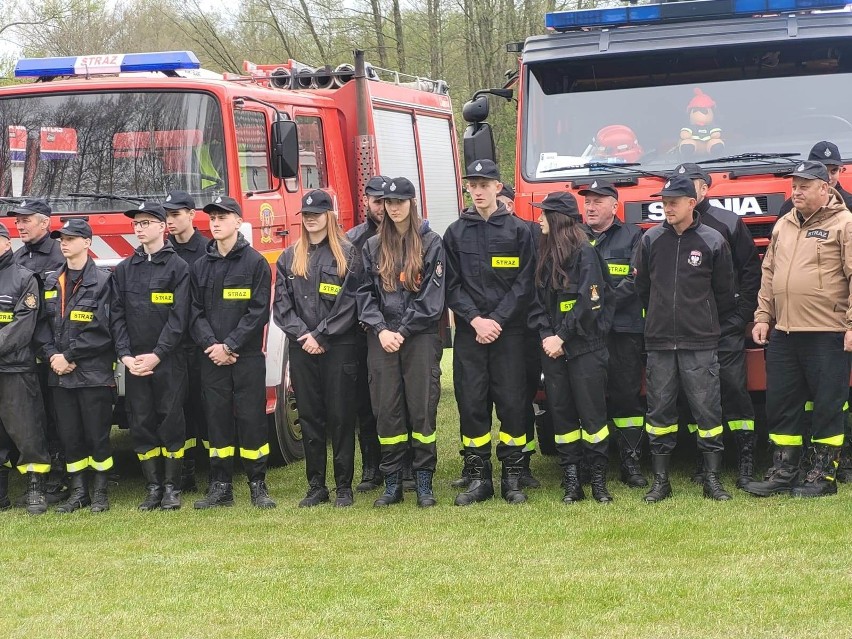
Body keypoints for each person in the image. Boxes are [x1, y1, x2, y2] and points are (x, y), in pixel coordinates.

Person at [744, 161, 852, 498]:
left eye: (805, 186)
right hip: (785, 333)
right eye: (795, 185)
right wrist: (763, 317)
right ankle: (783, 471)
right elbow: (769, 273)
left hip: (827, 332)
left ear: (824, 188)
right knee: (781, 404)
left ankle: (822, 476)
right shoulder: (783, 225)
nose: (797, 191)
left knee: (827, 406)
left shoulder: (845, 223)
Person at [634, 175, 736, 502]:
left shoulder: (713, 241)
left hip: (701, 343)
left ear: (692, 203)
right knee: (659, 413)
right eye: (664, 202)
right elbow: (642, 290)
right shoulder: (650, 240)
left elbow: (723, 293)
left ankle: (712, 480)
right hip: (660, 343)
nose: (667, 208)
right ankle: (661, 481)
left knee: (708, 413)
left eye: (673, 202)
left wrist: (701, 319)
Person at [444, 159, 536, 505]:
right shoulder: (456, 232)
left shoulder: (519, 231)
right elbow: (450, 285)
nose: (478, 191)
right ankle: (479, 479)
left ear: (499, 187)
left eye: (485, 184)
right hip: (471, 334)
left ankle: (512, 479)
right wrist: (476, 320)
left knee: (513, 404)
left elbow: (525, 283)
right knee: (471, 405)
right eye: (473, 185)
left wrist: (496, 319)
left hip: (509, 334)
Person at [358, 177, 445, 508]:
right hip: (381, 339)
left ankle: (423, 483)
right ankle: (392, 483)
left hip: (418, 337)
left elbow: (432, 299)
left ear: (412, 203)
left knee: (422, 410)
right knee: (387, 411)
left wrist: (403, 331)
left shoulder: (430, 242)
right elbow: (362, 293)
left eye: (399, 202)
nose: (393, 208)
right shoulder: (371, 246)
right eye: (388, 203)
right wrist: (381, 329)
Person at [671, 163, 760, 488]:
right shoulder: (670, 227)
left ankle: (745, 459)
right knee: (694, 397)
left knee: (734, 390)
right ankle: (704, 459)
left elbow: (751, 271)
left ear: (705, 189)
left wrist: (741, 317)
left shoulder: (727, 222)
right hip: (689, 332)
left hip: (724, 327)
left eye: (691, 183)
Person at [274, 190, 359, 508]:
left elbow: (349, 303)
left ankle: (344, 487)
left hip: (338, 349)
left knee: (340, 418)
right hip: (302, 349)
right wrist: (304, 336)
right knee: (310, 418)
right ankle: (316, 486)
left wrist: (321, 336)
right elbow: (282, 307)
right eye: (306, 215)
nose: (310, 219)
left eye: (317, 214)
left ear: (330, 216)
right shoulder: (288, 257)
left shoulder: (347, 255)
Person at [528, 192, 615, 503]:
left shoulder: (585, 253)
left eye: (544, 214)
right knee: (562, 416)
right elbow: (536, 303)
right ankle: (571, 481)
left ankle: (598, 481)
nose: (538, 219)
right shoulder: (543, 254)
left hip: (585, 348)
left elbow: (590, 302)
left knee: (593, 417)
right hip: (553, 350)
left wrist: (562, 337)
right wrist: (547, 338)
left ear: (558, 218)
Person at [190, 196, 275, 509]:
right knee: (217, 421)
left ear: (239, 222)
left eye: (223, 217)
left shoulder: (255, 263)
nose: (215, 222)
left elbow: (258, 312)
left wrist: (230, 345)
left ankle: (258, 485)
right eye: (212, 217)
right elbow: (194, 312)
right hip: (212, 358)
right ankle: (220, 486)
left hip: (245, 358)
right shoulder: (200, 266)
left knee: (252, 420)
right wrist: (212, 346)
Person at [111, 202, 190, 511]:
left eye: (146, 222)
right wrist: (125, 356)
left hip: (167, 361)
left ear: (162, 227)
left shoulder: (178, 267)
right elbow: (116, 316)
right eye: (136, 223)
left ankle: (172, 488)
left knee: (171, 421)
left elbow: (178, 318)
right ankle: (153, 487)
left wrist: (157, 355)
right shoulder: (125, 269)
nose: (139, 228)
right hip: (135, 364)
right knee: (141, 423)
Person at [38, 219, 114, 513]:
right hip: (59, 374)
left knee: (97, 435)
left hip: (92, 374)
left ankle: (100, 492)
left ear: (87, 243)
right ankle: (78, 491)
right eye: (61, 239)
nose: (64, 243)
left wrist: (68, 355)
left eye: (71, 238)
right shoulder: (50, 281)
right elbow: (42, 326)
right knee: (70, 436)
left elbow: (103, 329)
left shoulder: (104, 281)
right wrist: (51, 356)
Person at [579, 179, 647, 488]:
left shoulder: (634, 236)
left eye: (597, 201)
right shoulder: (575, 237)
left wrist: (601, 308)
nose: (590, 207)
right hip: (585, 334)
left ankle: (630, 462)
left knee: (626, 397)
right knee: (587, 398)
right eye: (587, 202)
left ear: (614, 206)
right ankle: (590, 464)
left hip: (623, 330)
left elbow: (635, 281)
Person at [8, 198, 67, 503]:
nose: (20, 225)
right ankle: (42, 479)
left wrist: (52, 349)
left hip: (52, 352)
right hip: (21, 356)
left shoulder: (61, 255)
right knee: (34, 418)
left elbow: (58, 310)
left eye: (26, 220)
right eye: (17, 221)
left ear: (45, 222)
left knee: (56, 417)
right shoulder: (17, 258)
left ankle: (59, 479)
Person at [0, 221, 52, 515]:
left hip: (16, 368)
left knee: (26, 429)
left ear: (7, 243)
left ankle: (36, 488)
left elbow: (23, 326)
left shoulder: (24, 278)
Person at [164, 189, 208, 493]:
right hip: (170, 344)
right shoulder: (162, 250)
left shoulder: (207, 250)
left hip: (197, 342)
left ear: (191, 215)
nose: (170, 221)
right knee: (175, 409)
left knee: (200, 408)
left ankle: (211, 470)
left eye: (176, 214)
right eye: (167, 215)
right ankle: (185, 471)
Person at [345, 175, 388, 492]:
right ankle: (372, 469)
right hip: (360, 334)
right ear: (366, 202)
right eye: (376, 201)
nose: (383, 208)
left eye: (388, 202)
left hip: (397, 331)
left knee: (400, 403)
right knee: (365, 404)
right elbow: (348, 289)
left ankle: (407, 467)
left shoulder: (409, 235)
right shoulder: (352, 240)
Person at [777, 141, 852, 215]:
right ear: (809, 171)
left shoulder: (849, 204)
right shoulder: (789, 207)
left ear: (841, 170)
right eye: (822, 171)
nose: (828, 177)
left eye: (833, 171)